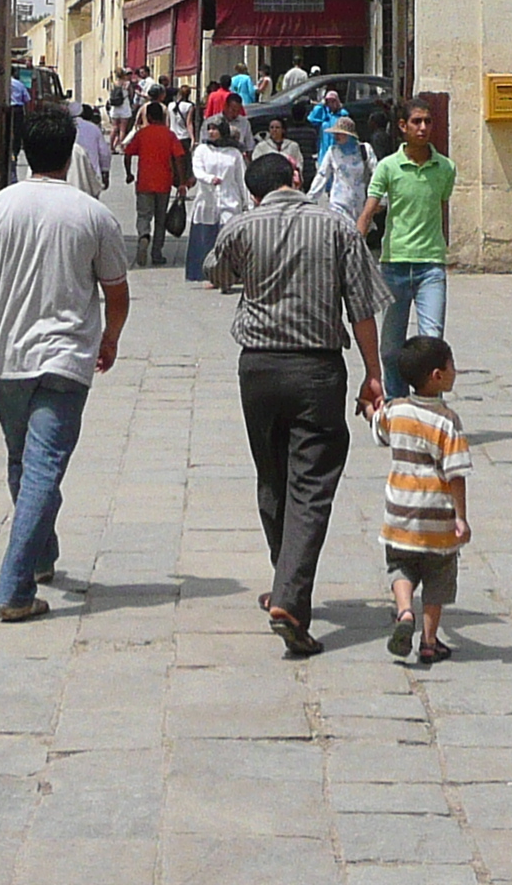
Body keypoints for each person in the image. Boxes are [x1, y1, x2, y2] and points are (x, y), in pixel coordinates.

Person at [207, 154, 388, 656]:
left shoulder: (243, 226)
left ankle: (284, 578)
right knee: (311, 483)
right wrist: (374, 375)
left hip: (258, 368)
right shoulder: (336, 227)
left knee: (272, 475)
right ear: (295, 179)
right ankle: (289, 594)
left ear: (255, 192)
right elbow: (363, 308)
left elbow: (216, 273)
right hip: (316, 369)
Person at [0, 101, 129, 621]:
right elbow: (116, 291)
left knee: (26, 463)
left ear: (24, 152)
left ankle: (41, 555)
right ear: (71, 154)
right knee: (42, 469)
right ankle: (14, 588)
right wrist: (109, 338)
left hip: (7, 358)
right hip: (64, 358)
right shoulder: (92, 213)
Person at [377, 335, 472, 667]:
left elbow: (379, 428)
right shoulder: (448, 421)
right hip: (437, 521)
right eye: (451, 366)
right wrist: (460, 517)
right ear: (437, 376)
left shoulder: (397, 411)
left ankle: (404, 612)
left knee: (400, 567)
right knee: (437, 580)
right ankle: (429, 643)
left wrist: (373, 408)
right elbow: (456, 474)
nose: (454, 371)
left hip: (399, 517)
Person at [361, 101, 456, 400]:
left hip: (431, 266)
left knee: (432, 343)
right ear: (402, 126)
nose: (423, 128)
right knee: (390, 349)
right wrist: (351, 249)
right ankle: (398, 403)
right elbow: (369, 212)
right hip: (395, 265)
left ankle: (429, 407)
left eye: (427, 121)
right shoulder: (388, 167)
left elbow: (440, 207)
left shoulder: (445, 168)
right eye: (416, 122)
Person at [121, 95, 186, 267]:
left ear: (148, 117)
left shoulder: (142, 134)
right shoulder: (170, 135)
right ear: (163, 117)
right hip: (164, 182)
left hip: (144, 182)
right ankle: (157, 253)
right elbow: (179, 157)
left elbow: (127, 154)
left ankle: (143, 235)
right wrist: (181, 182)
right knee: (160, 219)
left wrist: (129, 173)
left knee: (144, 215)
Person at [182, 114, 247, 283]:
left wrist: (247, 203)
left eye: (215, 129)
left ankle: (231, 275)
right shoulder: (202, 150)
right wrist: (210, 179)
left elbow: (241, 180)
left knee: (229, 240)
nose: (211, 132)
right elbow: (198, 171)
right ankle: (205, 274)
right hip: (207, 201)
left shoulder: (234, 154)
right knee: (206, 240)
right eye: (209, 129)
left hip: (229, 201)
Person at [315, 116, 375, 221]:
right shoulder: (333, 151)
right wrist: (310, 198)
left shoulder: (364, 150)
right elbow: (322, 175)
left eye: (340, 133)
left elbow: (376, 172)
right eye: (335, 133)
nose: (336, 136)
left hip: (360, 204)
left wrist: (379, 198)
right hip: (338, 202)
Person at [71, 103, 114, 198]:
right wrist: (105, 172)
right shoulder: (93, 128)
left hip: (69, 178)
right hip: (92, 178)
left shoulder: (62, 128)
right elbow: (104, 153)